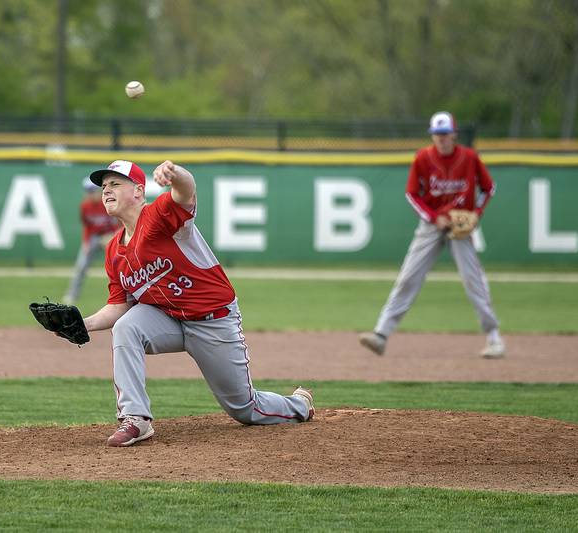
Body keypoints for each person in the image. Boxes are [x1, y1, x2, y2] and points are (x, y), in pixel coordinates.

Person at [82, 159, 314, 447]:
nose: (106, 190)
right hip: (168, 320)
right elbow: (119, 306)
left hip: (212, 320)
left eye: (115, 184)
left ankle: (299, 404)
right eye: (104, 186)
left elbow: (186, 191)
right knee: (127, 326)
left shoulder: (158, 216)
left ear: (139, 191)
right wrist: (84, 324)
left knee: (245, 408)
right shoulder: (114, 251)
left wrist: (175, 173)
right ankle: (135, 419)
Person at [358, 111, 506, 359]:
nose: (441, 139)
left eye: (445, 134)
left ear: (454, 135)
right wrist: (432, 216)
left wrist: (477, 213)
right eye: (437, 135)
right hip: (431, 225)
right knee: (408, 277)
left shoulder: (469, 158)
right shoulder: (423, 158)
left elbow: (488, 188)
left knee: (473, 280)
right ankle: (381, 335)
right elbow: (411, 193)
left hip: (460, 226)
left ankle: (494, 338)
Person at [62, 177, 120, 305]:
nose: (91, 193)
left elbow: (119, 223)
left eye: (93, 190)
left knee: (118, 266)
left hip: (110, 236)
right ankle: (72, 295)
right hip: (94, 237)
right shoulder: (85, 206)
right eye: (88, 191)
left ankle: (122, 297)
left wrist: (113, 237)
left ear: (99, 190)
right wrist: (86, 242)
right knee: (81, 266)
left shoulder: (108, 202)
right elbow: (87, 226)